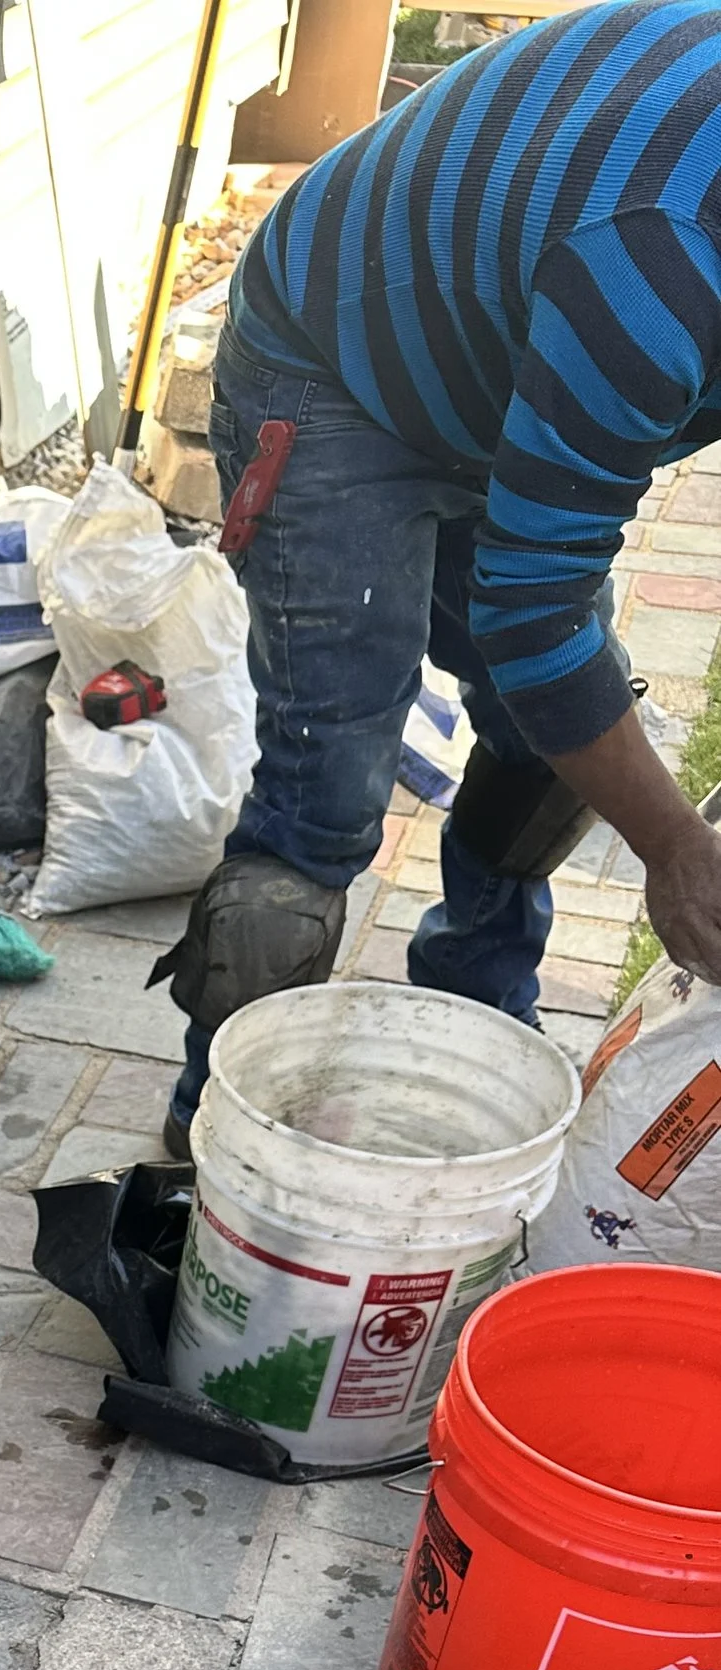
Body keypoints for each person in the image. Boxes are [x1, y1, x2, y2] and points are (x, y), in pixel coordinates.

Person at [160, 0, 721, 1153]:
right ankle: (214, 1141)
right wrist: (674, 850)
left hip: (507, 320)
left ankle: (473, 1023)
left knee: (546, 753)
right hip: (335, 355)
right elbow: (533, 612)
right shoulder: (661, 265)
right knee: (325, 795)